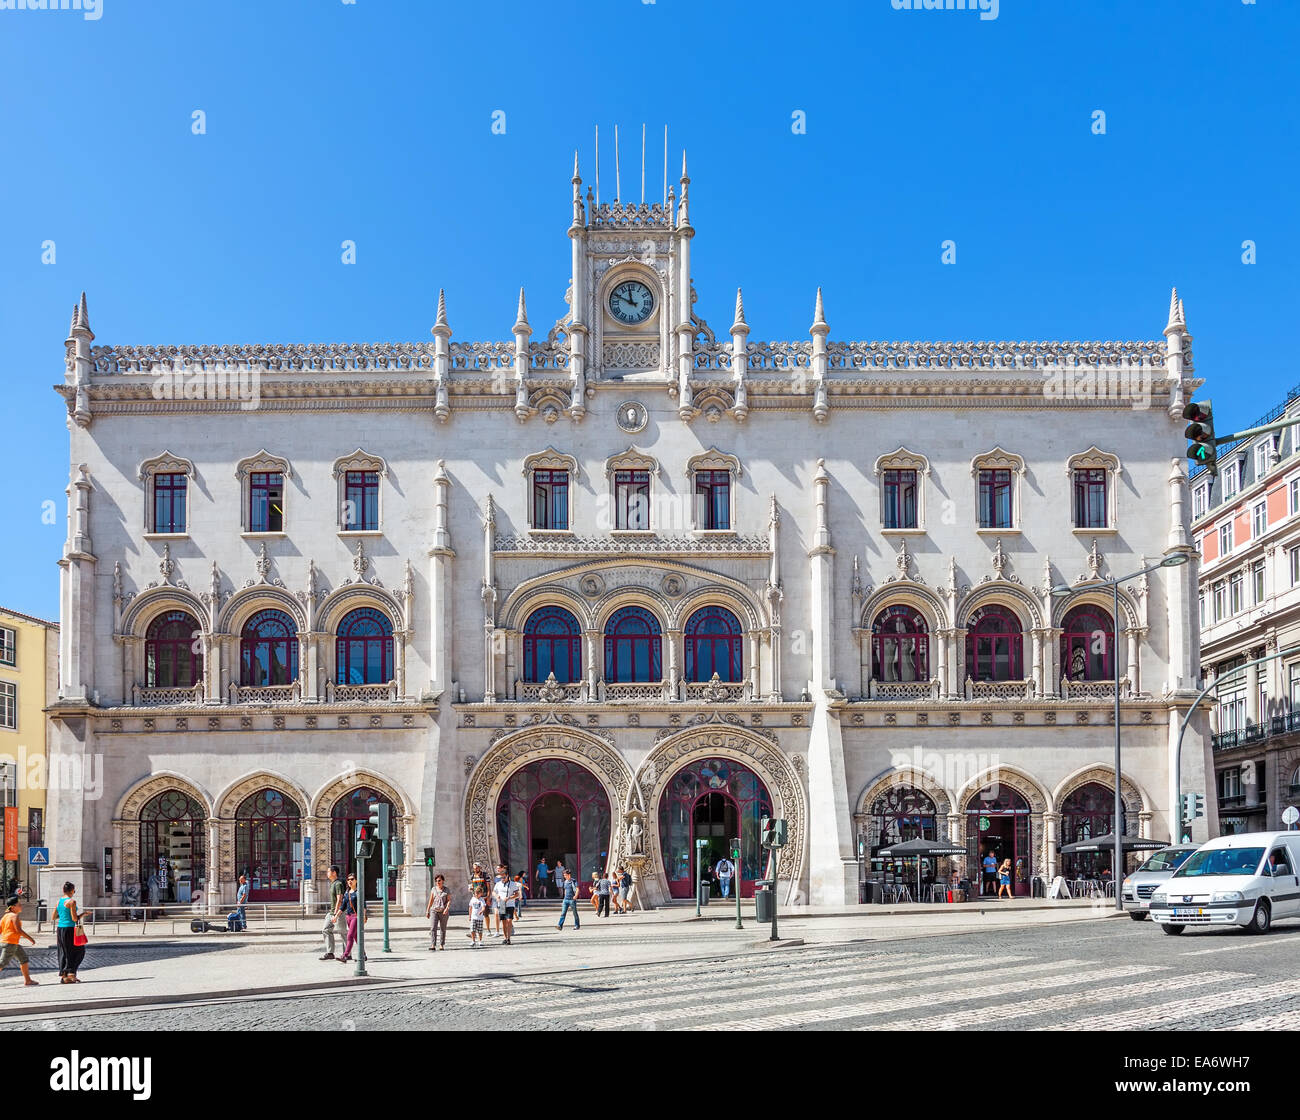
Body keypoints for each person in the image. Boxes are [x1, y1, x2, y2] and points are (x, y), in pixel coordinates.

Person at [1, 896, 38, 986]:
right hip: (10, 943)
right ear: (13, 907)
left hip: (11, 943)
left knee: (23, 959)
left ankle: (28, 980)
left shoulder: (5, 916)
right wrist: (30, 938)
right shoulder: (14, 916)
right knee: (2, 963)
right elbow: (19, 930)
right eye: (19, 905)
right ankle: (28, 980)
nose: (21, 906)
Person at [55, 881, 85, 984]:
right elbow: (74, 918)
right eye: (74, 891)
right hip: (69, 929)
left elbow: (54, 917)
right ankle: (71, 974)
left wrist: (64, 916)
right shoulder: (72, 902)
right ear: (72, 891)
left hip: (60, 929)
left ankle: (64, 976)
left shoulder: (59, 901)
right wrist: (83, 914)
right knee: (79, 951)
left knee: (63, 952)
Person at [339, 873, 366, 963]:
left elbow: (364, 906)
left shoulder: (359, 892)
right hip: (348, 917)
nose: (350, 881)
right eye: (348, 879)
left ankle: (345, 955)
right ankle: (363, 954)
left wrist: (364, 916)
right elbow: (343, 906)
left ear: (356, 881)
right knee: (355, 937)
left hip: (356, 917)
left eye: (352, 879)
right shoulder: (347, 893)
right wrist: (336, 916)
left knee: (350, 936)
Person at [320, 865, 346, 960]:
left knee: (342, 932)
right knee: (325, 930)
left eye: (328, 872)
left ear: (334, 872)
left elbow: (340, 899)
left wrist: (336, 913)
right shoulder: (333, 883)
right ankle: (330, 952)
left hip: (338, 912)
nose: (327, 873)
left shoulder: (338, 884)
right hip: (331, 912)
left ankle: (347, 953)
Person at [426, 874, 450, 950]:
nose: (437, 882)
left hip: (443, 912)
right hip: (434, 911)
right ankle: (433, 944)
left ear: (443, 881)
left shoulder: (446, 890)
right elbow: (431, 900)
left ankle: (442, 945)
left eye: (439, 880)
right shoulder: (433, 889)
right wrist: (427, 910)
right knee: (433, 927)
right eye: (436, 881)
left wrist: (447, 908)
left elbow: (449, 900)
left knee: (443, 928)